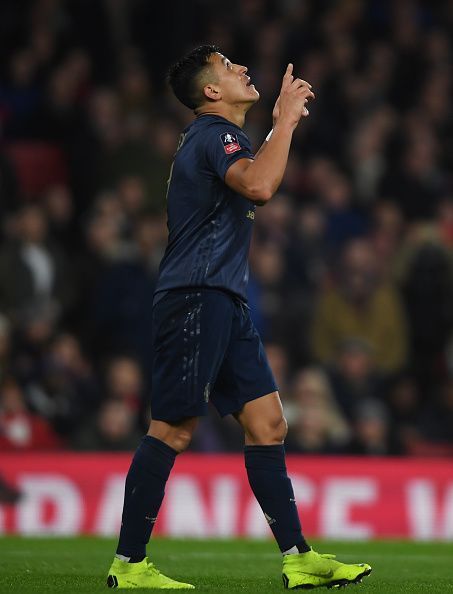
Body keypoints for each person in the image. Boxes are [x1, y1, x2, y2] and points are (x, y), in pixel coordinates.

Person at [106, 45, 371, 590]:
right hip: (196, 296)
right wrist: (284, 125)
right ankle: (128, 564)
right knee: (173, 428)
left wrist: (277, 127)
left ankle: (297, 557)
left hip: (223, 298)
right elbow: (260, 186)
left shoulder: (216, 140)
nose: (243, 69)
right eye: (229, 67)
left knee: (269, 423)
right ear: (210, 92)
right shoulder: (213, 135)